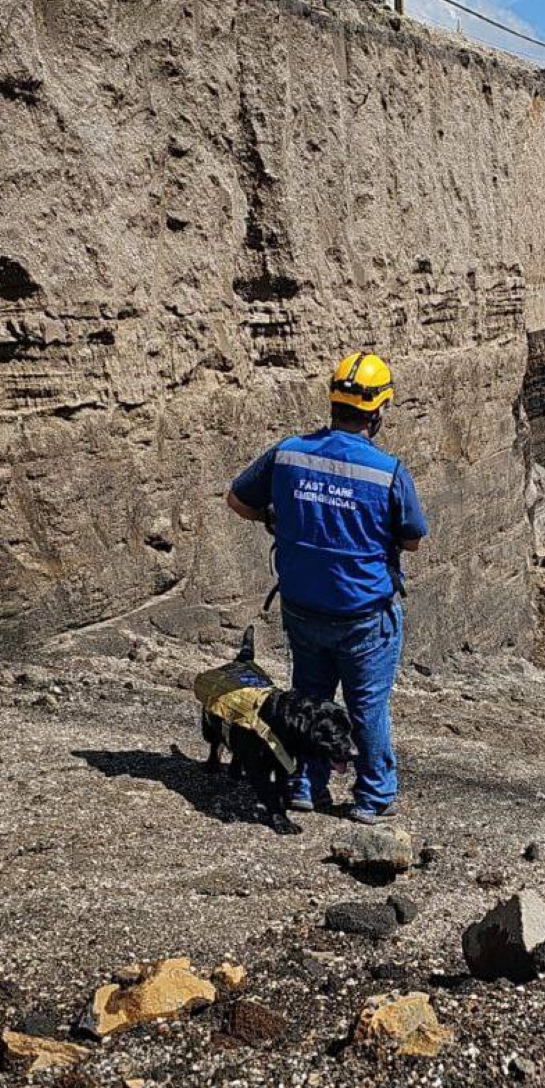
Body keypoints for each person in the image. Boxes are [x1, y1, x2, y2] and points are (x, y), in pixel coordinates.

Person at [226, 352, 428, 824]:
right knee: (367, 707)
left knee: (309, 698)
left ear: (333, 402)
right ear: (378, 411)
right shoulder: (387, 471)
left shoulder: (289, 453)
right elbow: (413, 539)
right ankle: (372, 797)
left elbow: (238, 500)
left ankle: (303, 785)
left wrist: (274, 519)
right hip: (363, 616)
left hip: (302, 609)